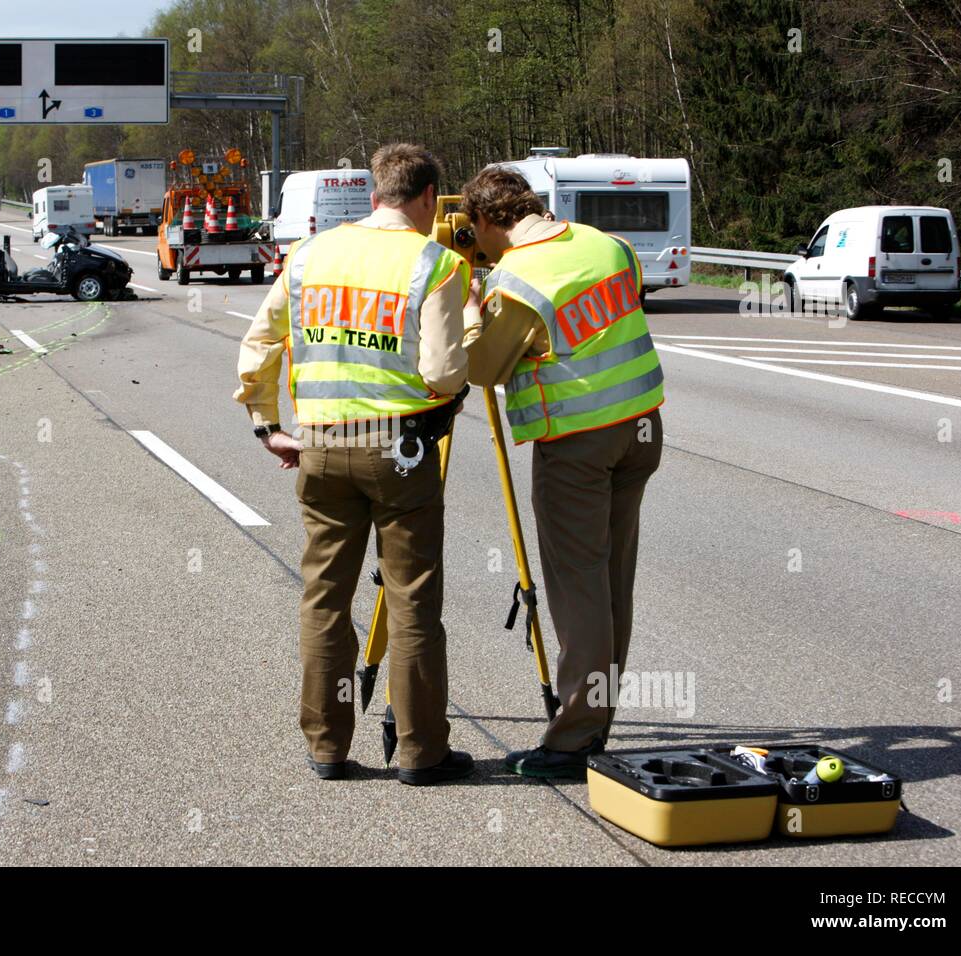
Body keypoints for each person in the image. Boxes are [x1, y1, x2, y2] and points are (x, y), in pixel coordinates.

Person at [234, 144, 474, 785]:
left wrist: (267, 424)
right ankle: (422, 753)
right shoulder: (439, 263)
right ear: (427, 198)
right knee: (414, 602)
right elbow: (444, 372)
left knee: (324, 600)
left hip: (318, 448)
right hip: (399, 450)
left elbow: (261, 341)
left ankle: (327, 747)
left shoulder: (310, 254)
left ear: (375, 194)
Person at [460, 167, 664, 779]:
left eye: (477, 233)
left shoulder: (518, 278)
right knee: (609, 585)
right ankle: (594, 718)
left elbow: (484, 368)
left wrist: (473, 309)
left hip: (577, 444)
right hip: (641, 431)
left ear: (489, 220)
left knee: (578, 593)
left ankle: (574, 739)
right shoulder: (610, 246)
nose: (479, 245)